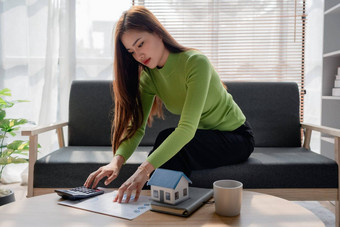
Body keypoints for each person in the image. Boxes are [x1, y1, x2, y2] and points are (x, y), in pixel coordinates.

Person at [84, 6, 255, 203]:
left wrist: (144, 170)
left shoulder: (195, 63)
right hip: (205, 138)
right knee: (166, 140)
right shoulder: (149, 78)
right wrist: (116, 162)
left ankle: (151, 206)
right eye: (131, 51)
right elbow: (136, 127)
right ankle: (157, 206)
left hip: (237, 138)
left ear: (157, 32)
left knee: (171, 140)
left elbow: (187, 129)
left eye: (141, 44)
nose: (138, 55)